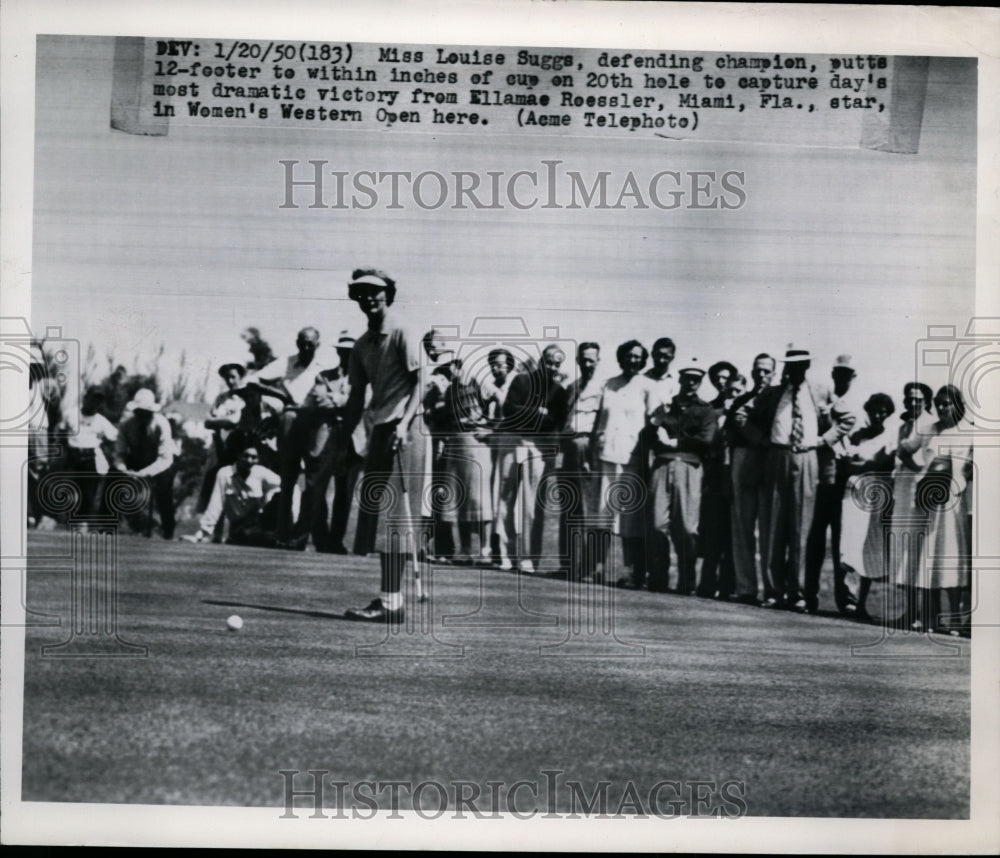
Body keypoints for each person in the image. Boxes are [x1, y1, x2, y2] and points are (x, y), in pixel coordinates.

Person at [736, 347, 851, 610]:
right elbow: (741, 416)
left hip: (808, 457)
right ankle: (773, 591)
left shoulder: (821, 391)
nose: (795, 370)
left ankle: (797, 593)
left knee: (802, 527)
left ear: (807, 365)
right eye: (790, 365)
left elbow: (848, 417)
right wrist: (761, 440)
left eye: (800, 365)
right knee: (772, 525)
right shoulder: (772, 393)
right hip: (776, 457)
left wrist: (824, 439)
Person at [342, 269, 424, 623]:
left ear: (388, 293)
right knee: (381, 521)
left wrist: (404, 424)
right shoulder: (361, 345)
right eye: (361, 292)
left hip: (407, 429)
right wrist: (343, 439)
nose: (369, 297)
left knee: (398, 521)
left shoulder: (403, 329)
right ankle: (390, 600)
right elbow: (356, 398)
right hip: (380, 431)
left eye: (375, 291)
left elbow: (423, 381)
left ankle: (391, 603)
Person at [247, 327, 335, 546]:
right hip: (290, 420)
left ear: (318, 344)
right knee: (288, 479)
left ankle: (311, 536)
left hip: (314, 423)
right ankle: (282, 534)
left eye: (310, 344)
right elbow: (253, 381)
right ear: (297, 343)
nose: (306, 348)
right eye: (302, 343)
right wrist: (281, 396)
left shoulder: (323, 367)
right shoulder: (285, 363)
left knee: (314, 482)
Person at [494, 344, 568, 574]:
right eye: (548, 362)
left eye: (557, 363)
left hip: (538, 448)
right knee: (505, 500)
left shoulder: (559, 392)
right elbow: (509, 410)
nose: (552, 367)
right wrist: (538, 413)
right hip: (513, 443)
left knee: (532, 505)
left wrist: (528, 413)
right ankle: (506, 555)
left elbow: (553, 422)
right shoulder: (521, 380)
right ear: (540, 361)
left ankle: (528, 558)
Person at [647, 361, 718, 595]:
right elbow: (650, 435)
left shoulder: (705, 410)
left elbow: (706, 440)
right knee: (657, 524)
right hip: (663, 463)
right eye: (687, 377)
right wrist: (657, 423)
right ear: (679, 379)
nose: (690, 383)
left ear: (700, 382)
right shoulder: (667, 406)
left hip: (690, 466)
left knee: (687, 527)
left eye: (695, 379)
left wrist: (678, 441)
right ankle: (658, 577)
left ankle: (686, 581)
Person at [591, 341, 656, 588]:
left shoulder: (648, 387)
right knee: (603, 515)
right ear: (621, 358)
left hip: (632, 461)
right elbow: (600, 420)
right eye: (628, 356)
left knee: (629, 520)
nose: (632, 360)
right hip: (606, 457)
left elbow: (653, 423)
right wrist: (592, 450)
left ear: (643, 360)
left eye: (637, 357)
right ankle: (597, 568)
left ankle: (630, 572)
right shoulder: (608, 384)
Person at [290, 332, 360, 552]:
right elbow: (318, 399)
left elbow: (361, 402)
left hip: (352, 437)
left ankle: (334, 541)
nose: (346, 355)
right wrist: (344, 401)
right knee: (314, 486)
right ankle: (301, 537)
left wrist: (337, 400)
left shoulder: (364, 379)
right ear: (338, 352)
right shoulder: (324, 375)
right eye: (343, 351)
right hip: (326, 433)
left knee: (344, 493)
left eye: (351, 352)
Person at [912, 385, 973, 635]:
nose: (941, 407)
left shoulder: (968, 432)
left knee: (953, 560)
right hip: (929, 503)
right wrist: (921, 482)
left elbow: (973, 464)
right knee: (930, 559)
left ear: (957, 405)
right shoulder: (930, 430)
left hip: (954, 504)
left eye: (946, 403)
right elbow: (906, 450)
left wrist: (960, 481)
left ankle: (956, 620)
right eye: (938, 403)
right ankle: (931, 617)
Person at [804, 354, 862, 614]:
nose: (841, 378)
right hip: (823, 472)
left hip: (845, 475)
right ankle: (809, 594)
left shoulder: (857, 404)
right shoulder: (822, 398)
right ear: (832, 374)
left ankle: (847, 596)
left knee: (844, 539)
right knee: (816, 535)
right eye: (838, 373)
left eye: (846, 374)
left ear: (853, 376)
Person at [838, 393, 897, 620]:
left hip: (877, 495)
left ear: (888, 414)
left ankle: (861, 602)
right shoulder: (857, 435)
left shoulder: (891, 436)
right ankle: (850, 601)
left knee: (870, 549)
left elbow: (882, 462)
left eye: (883, 411)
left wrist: (859, 465)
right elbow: (845, 465)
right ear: (868, 410)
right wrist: (860, 466)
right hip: (853, 492)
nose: (878, 415)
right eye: (874, 410)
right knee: (849, 546)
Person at [727, 354, 777, 605]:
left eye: (767, 371)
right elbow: (737, 420)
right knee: (742, 524)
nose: (762, 375)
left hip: (770, 460)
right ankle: (746, 587)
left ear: (774, 373)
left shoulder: (780, 397)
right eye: (758, 370)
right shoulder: (743, 400)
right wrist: (759, 439)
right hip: (745, 456)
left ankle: (771, 589)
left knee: (768, 527)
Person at [889, 382, 937, 628]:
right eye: (909, 399)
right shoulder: (904, 425)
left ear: (926, 401)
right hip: (903, 491)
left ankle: (922, 615)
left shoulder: (930, 424)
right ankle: (909, 612)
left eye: (918, 399)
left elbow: (917, 456)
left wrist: (920, 471)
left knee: (919, 551)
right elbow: (900, 454)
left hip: (920, 492)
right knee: (904, 551)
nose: (913, 403)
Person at [559, 342, 604, 580]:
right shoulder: (572, 387)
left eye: (591, 360)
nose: (587, 364)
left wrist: (591, 455)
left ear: (598, 361)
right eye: (583, 360)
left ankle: (588, 567)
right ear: (577, 361)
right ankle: (567, 565)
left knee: (590, 511)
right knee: (569, 508)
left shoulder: (603, 389)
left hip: (589, 448)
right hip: (569, 448)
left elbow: (600, 423)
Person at [698, 360, 739, 599]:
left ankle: (728, 585)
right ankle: (707, 582)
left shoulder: (742, 405)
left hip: (735, 472)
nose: (722, 382)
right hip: (714, 474)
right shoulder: (709, 408)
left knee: (732, 530)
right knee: (712, 528)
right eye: (718, 378)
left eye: (726, 378)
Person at [111, 388, 176, 539]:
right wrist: (123, 469)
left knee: (165, 484)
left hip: (159, 463)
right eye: (139, 412)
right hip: (136, 460)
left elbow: (165, 458)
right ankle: (107, 523)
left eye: (146, 413)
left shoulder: (162, 424)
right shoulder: (126, 424)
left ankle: (168, 529)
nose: (142, 416)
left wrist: (145, 473)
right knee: (112, 474)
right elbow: (118, 453)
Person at [184, 445, 282, 546]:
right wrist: (201, 533)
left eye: (254, 457)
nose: (249, 460)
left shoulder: (261, 472)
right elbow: (216, 503)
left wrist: (267, 499)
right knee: (252, 538)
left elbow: (283, 486)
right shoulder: (225, 474)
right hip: (240, 527)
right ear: (238, 456)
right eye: (246, 456)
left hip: (259, 523)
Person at [57, 386, 118, 524]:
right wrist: (62, 452)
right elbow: (61, 432)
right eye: (93, 398)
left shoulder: (101, 421)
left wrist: (109, 452)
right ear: (85, 398)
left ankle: (81, 522)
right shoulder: (70, 414)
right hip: (72, 456)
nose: (95, 402)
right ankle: (62, 520)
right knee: (66, 490)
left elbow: (115, 437)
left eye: (99, 400)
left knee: (88, 493)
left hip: (90, 457)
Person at [197, 361, 248, 515]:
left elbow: (236, 420)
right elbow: (207, 421)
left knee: (233, 484)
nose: (230, 381)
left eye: (233, 377)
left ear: (240, 377)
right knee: (212, 481)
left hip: (237, 446)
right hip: (218, 445)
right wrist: (224, 421)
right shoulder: (221, 398)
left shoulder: (244, 397)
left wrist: (219, 421)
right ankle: (211, 526)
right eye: (227, 378)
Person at [481, 348, 518, 567]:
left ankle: (507, 554)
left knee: (506, 499)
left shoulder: (516, 385)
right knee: (496, 498)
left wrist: (491, 431)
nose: (495, 368)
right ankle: (498, 551)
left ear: (509, 365)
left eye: (500, 364)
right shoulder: (495, 387)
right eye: (492, 364)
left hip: (511, 446)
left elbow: (514, 416)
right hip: (497, 448)